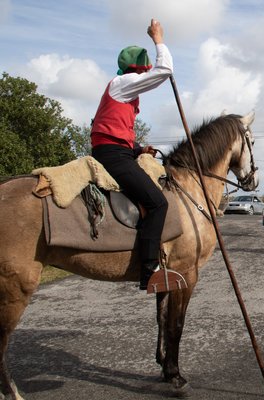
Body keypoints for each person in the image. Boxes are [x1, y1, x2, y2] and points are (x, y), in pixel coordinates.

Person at [91, 19, 173, 290]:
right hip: (113, 155)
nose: (144, 75)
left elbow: (112, 131)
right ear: (139, 69)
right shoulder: (124, 82)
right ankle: (149, 270)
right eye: (144, 71)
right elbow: (165, 70)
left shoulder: (121, 88)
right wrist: (158, 38)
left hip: (116, 150)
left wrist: (139, 149)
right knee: (158, 203)